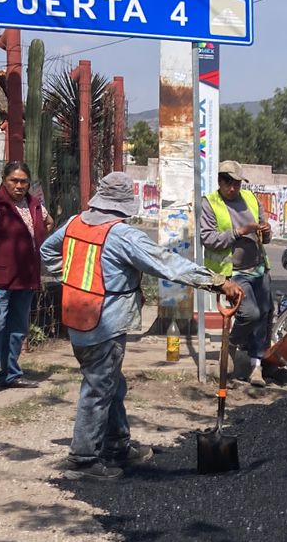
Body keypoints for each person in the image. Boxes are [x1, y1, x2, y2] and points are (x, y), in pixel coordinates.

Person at [41, 171, 243, 480]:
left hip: (77, 317)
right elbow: (168, 264)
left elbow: (47, 251)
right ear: (124, 203)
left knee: (110, 384)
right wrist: (216, 282)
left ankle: (117, 445)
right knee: (97, 389)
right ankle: (83, 459)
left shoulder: (74, 224)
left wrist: (68, 280)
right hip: (105, 323)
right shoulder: (123, 236)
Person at [0, 160, 54, 398]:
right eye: (13, 181)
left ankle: (10, 374)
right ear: (4, 180)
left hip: (26, 277)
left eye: (23, 181)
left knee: (18, 328)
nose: (18, 186)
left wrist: (40, 235)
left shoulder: (34, 204)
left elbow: (48, 222)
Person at [197, 159, 272, 386]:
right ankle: (230, 345)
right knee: (250, 314)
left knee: (265, 316)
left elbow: (264, 234)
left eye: (236, 183)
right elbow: (208, 240)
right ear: (219, 181)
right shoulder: (210, 203)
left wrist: (266, 231)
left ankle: (255, 366)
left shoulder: (250, 199)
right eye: (227, 182)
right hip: (234, 272)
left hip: (259, 267)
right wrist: (239, 232)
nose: (232, 188)